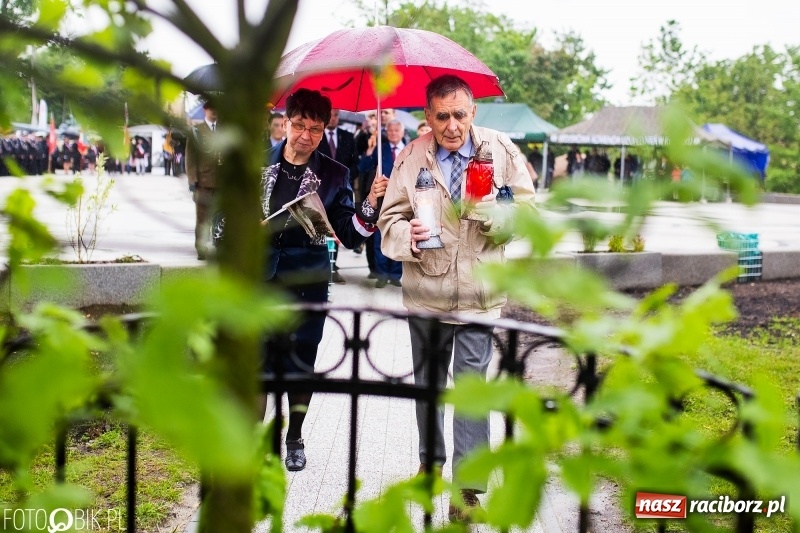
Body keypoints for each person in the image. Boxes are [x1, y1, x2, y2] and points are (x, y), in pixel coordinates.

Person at [378, 74, 536, 522]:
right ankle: (431, 466)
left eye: (460, 114)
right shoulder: (410, 157)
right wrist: (404, 235)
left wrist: (496, 217)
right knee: (428, 388)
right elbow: (389, 221)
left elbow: (528, 212)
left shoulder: (502, 151)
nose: (452, 125)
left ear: (473, 112)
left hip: (479, 295)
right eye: (442, 115)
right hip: (425, 293)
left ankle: (467, 490)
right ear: (427, 116)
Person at [251, 88, 387, 472]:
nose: (306, 136)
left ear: (324, 128)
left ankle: (294, 436)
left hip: (307, 282)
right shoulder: (259, 163)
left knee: (300, 364)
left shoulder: (333, 173)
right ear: (285, 122)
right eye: (299, 126)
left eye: (315, 128)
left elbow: (351, 233)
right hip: (261, 280)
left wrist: (370, 204)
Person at [358, 118, 404, 287]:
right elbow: (362, 166)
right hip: (382, 199)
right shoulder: (380, 148)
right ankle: (382, 274)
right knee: (380, 237)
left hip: (402, 200)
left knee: (399, 236)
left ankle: (395, 274)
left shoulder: (409, 149)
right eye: (390, 130)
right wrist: (370, 149)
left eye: (396, 130)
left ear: (402, 132)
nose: (393, 133)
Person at [316, 108, 359, 284]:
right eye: (331, 115)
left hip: (342, 188)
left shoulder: (347, 137)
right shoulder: (317, 137)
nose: (333, 118)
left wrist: (346, 178)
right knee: (321, 228)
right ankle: (323, 264)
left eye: (336, 115)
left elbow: (355, 162)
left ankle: (333, 266)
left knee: (338, 225)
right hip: (320, 189)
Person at [186, 99, 220, 260]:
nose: (214, 111)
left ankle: (218, 246)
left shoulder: (223, 130)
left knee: (219, 217)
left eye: (216, 109)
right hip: (204, 182)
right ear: (204, 110)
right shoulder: (196, 131)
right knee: (202, 217)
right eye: (210, 108)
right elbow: (190, 158)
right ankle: (201, 248)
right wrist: (193, 181)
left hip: (222, 182)